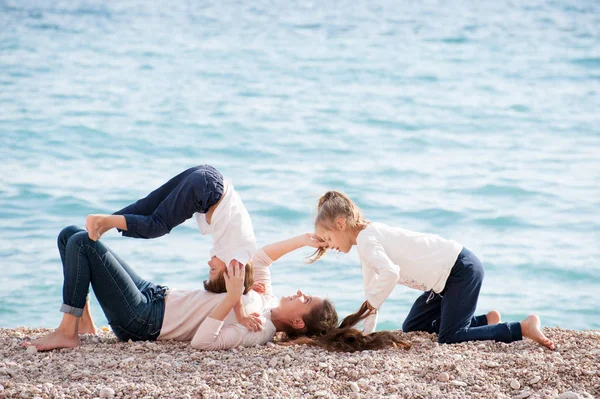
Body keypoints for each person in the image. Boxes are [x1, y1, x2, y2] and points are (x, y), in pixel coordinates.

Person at [23, 226, 410, 352]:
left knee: (82, 245)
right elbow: (261, 258)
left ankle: (68, 332)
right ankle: (82, 325)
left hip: (145, 319)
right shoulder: (268, 300)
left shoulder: (260, 329)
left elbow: (203, 343)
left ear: (296, 322)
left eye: (306, 300)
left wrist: (231, 298)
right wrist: (305, 239)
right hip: (156, 294)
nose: (301, 291)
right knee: (71, 234)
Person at [309, 190, 555, 350]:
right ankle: (485, 321)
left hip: (460, 270)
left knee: (450, 337)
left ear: (340, 224)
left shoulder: (367, 239)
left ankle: (521, 327)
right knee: (413, 326)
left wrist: (369, 306)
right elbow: (372, 291)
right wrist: (366, 334)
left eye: (327, 238)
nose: (329, 246)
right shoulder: (366, 239)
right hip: (444, 281)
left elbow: (390, 275)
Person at [84, 164, 259, 329]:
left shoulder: (236, 247)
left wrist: (252, 289)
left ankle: (105, 223)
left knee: (149, 206)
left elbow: (239, 283)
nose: (209, 264)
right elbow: (236, 286)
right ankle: (103, 221)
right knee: (157, 225)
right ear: (229, 274)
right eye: (213, 271)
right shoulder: (238, 256)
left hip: (207, 177)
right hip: (206, 190)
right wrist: (242, 315)